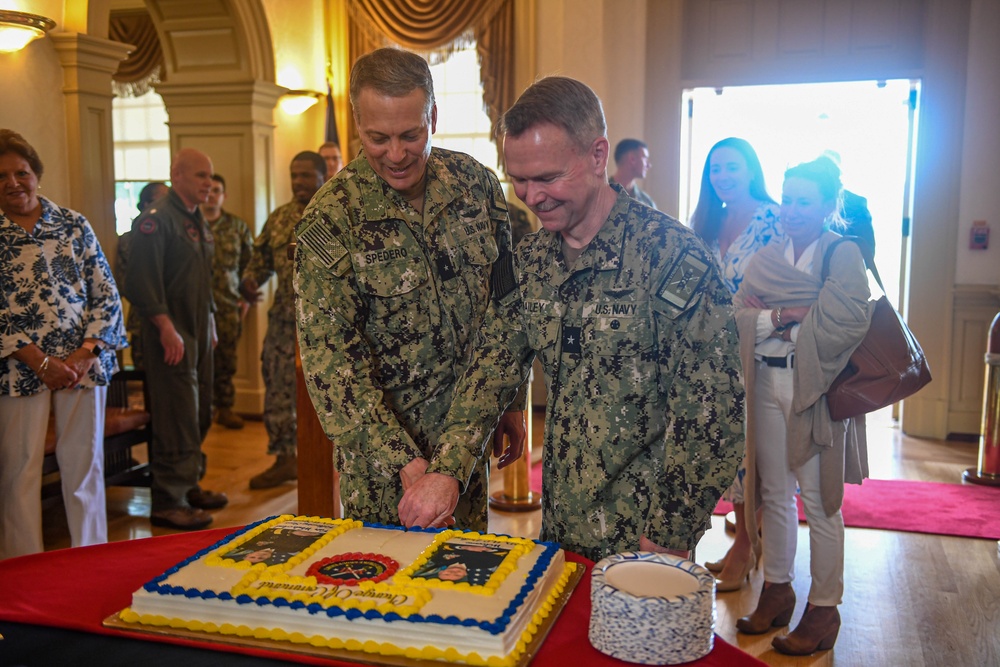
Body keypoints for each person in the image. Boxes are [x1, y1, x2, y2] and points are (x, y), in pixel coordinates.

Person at [427, 77, 745, 563]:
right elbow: (491, 370)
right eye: (519, 179)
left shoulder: (671, 257)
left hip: (646, 538)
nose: (531, 197)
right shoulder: (530, 261)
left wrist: (670, 533)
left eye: (548, 178)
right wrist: (447, 470)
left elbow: (712, 414)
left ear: (598, 156)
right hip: (560, 531)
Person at [294, 47, 524, 532]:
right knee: (390, 595)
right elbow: (331, 366)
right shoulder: (332, 218)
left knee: (465, 589)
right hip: (385, 473)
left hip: (470, 439)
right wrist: (408, 464)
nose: (396, 155)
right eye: (377, 138)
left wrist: (510, 403)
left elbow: (505, 309)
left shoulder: (476, 186)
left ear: (433, 117)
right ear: (357, 123)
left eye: (410, 135)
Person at [732, 156, 872, 655]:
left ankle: (824, 610)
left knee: (819, 501)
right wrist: (788, 315)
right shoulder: (769, 253)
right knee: (774, 493)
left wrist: (774, 317)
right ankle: (777, 590)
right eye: (787, 200)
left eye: (804, 202)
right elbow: (739, 315)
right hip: (766, 384)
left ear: (829, 205)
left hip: (814, 390)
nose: (791, 211)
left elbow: (850, 321)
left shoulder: (842, 253)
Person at [0, 128, 127, 558]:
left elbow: (105, 292)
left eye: (21, 172)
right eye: (1, 176)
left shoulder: (73, 224)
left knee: (84, 467)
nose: (13, 183)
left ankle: (88, 560)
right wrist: (41, 362)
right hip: (16, 370)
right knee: (18, 473)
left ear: (36, 173)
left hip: (83, 367)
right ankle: (23, 568)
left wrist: (83, 355)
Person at [689, 137, 782, 591]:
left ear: (751, 169)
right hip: (715, 352)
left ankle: (746, 544)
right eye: (715, 169)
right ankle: (743, 539)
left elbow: (795, 277)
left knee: (756, 449)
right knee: (729, 446)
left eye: (731, 167)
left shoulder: (774, 218)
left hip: (761, 350)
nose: (722, 176)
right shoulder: (709, 220)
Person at [123, 147, 228, 531]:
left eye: (211, 177)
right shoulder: (156, 221)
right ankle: (169, 498)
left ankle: (188, 484)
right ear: (176, 175)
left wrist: (211, 321)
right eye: (201, 176)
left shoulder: (196, 219)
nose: (208, 184)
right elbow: (140, 282)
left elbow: (201, 277)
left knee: (199, 411)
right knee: (176, 415)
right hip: (171, 333)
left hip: (199, 330)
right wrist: (166, 327)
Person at [241, 151, 326, 489]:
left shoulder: (334, 211)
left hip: (326, 322)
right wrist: (249, 280)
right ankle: (284, 457)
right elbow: (260, 259)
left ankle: (329, 458)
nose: (298, 182)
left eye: (305, 175)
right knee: (277, 382)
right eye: (294, 175)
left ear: (322, 175)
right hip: (284, 320)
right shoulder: (279, 219)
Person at [201, 173, 253, 430]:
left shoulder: (237, 226)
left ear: (224, 195)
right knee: (200, 360)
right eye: (208, 190)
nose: (212, 196)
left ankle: (225, 408)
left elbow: (251, 266)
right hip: (198, 307)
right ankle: (203, 410)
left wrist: (246, 300)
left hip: (228, 305)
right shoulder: (191, 224)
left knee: (227, 361)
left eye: (217, 191)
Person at [116, 181, 169, 370]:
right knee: (146, 374)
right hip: (143, 320)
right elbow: (126, 283)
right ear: (146, 205)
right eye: (162, 200)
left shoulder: (175, 234)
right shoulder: (129, 239)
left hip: (177, 319)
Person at [609, 138, 656, 209]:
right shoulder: (599, 195)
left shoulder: (646, 203)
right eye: (645, 158)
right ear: (632, 159)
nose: (649, 165)